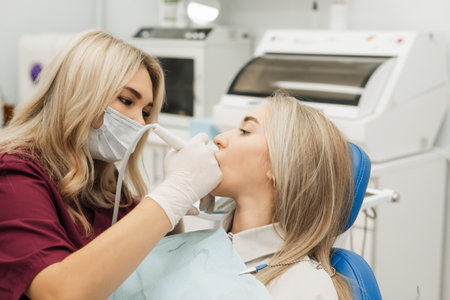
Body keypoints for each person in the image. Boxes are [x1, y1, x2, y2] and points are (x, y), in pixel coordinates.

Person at [0, 30, 221, 299]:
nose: (141, 124)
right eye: (127, 101)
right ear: (79, 94)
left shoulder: (102, 178)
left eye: (146, 111)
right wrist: (172, 194)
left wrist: (172, 218)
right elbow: (59, 292)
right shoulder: (13, 175)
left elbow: (138, 260)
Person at [212, 91, 354, 299]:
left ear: (282, 165)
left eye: (244, 131)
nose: (218, 139)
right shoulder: (209, 247)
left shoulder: (304, 287)